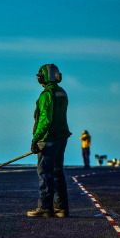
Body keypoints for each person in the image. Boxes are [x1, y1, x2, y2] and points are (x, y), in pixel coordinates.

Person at [27, 64, 71, 218]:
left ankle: (45, 208)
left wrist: (35, 139)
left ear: (43, 76)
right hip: (61, 137)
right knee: (58, 172)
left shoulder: (47, 94)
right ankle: (61, 208)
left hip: (48, 139)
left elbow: (45, 120)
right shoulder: (62, 92)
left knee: (45, 173)